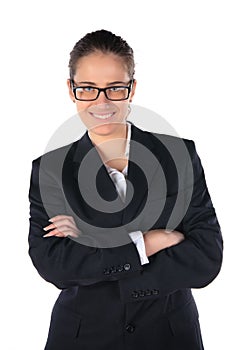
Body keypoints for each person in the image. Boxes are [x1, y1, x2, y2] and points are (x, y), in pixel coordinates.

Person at [28, 29, 223, 350]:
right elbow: (55, 266)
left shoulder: (178, 156)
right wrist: (147, 243)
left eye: (115, 88)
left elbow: (206, 259)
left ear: (131, 88)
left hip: (170, 335)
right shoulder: (50, 169)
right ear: (71, 90)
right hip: (83, 337)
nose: (102, 102)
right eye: (88, 88)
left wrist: (91, 249)